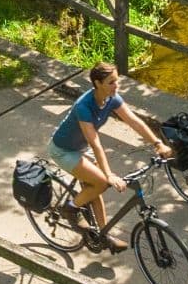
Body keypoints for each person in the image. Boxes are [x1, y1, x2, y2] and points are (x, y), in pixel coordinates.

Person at [46, 62, 167, 248]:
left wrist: (157, 143)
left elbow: (134, 122)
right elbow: (95, 144)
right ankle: (69, 209)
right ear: (97, 83)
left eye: (116, 81)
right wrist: (109, 174)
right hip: (63, 150)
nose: (116, 86)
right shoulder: (83, 106)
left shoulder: (112, 98)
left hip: (79, 147)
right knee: (101, 182)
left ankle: (102, 235)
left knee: (95, 184)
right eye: (111, 82)